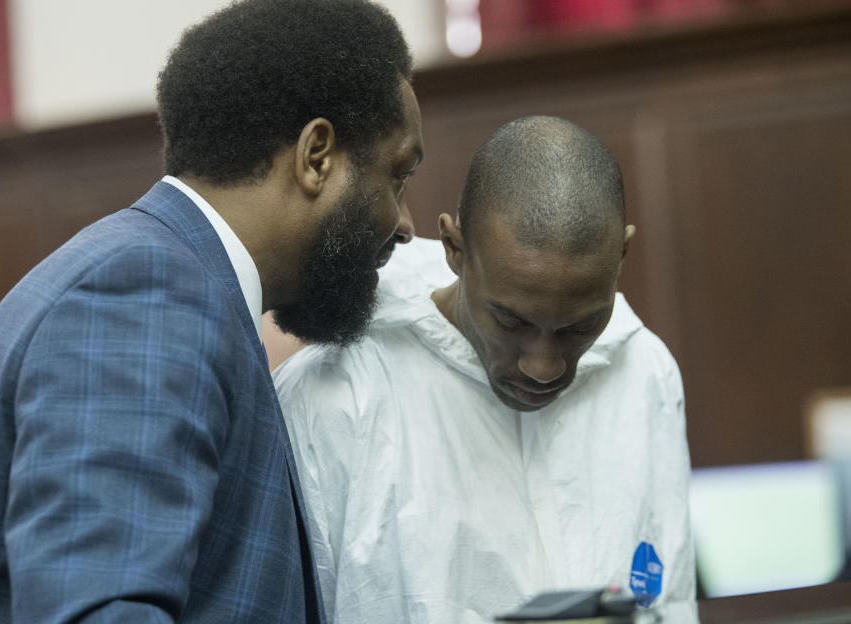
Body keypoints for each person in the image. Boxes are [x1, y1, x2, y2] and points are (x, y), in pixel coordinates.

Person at [0, 0, 423, 622]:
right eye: (397, 175)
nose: (406, 223)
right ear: (316, 157)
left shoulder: (177, 282)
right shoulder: (150, 289)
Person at [274, 116, 695, 623]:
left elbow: (668, 603)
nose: (543, 367)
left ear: (621, 256)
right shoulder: (337, 392)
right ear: (454, 248)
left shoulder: (645, 374)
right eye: (509, 320)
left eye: (578, 327)